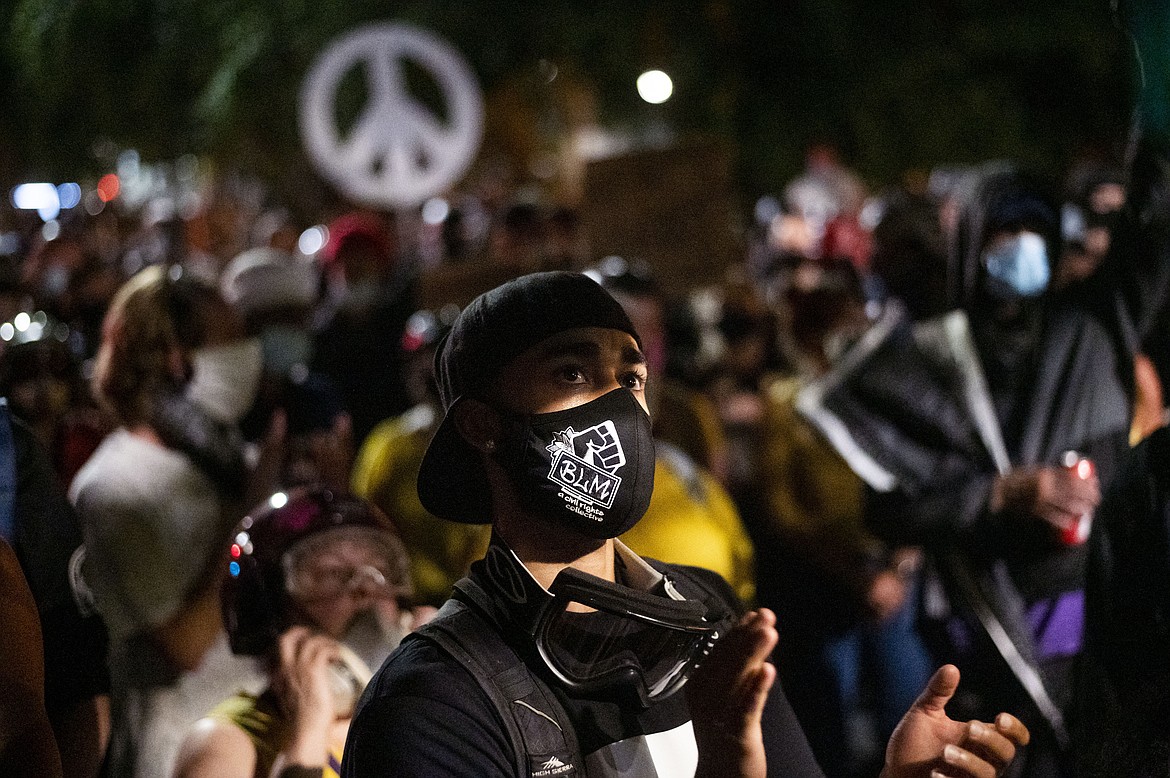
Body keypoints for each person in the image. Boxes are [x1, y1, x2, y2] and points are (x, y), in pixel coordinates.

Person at [342, 271, 1029, 777]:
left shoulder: (703, 614)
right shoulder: (434, 702)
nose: (617, 403)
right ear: (482, 425)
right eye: (574, 373)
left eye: (632, 377)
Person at [71, 265, 269, 777]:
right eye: (232, 340)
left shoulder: (223, 458)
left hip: (252, 736)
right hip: (177, 752)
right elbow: (186, 643)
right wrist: (250, 519)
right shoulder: (113, 488)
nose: (250, 353)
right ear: (175, 360)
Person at [173, 487, 425, 778]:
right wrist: (309, 733)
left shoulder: (402, 724)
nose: (367, 591)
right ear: (272, 609)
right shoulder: (225, 746)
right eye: (332, 573)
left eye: (380, 570)